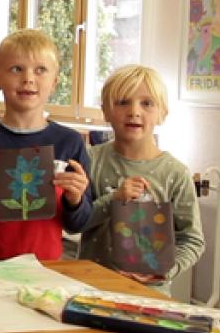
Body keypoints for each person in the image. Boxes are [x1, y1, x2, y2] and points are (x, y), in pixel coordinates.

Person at [0, 29, 91, 261]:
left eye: (40, 70)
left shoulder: (70, 143)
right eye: (16, 69)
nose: (28, 78)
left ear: (54, 82)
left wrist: (74, 199)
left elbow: (81, 223)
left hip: (46, 268)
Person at [78, 65, 204, 293]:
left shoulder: (175, 173)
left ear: (162, 113)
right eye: (123, 102)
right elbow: (76, 222)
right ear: (105, 111)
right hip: (91, 288)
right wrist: (114, 199)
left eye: (146, 104)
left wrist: (165, 269)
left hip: (149, 295)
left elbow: (192, 239)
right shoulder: (90, 160)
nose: (134, 111)